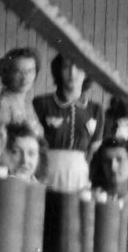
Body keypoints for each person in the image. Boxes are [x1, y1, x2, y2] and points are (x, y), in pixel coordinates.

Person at [32, 53, 102, 190]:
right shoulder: (42, 103)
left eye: (79, 68)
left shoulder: (95, 109)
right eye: (66, 67)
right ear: (58, 71)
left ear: (87, 73)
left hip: (80, 175)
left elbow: (94, 152)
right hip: (48, 171)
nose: (72, 73)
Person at [0, 47, 44, 137]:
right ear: (7, 73)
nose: (25, 77)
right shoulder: (1, 104)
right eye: (18, 71)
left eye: (30, 71)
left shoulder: (27, 104)